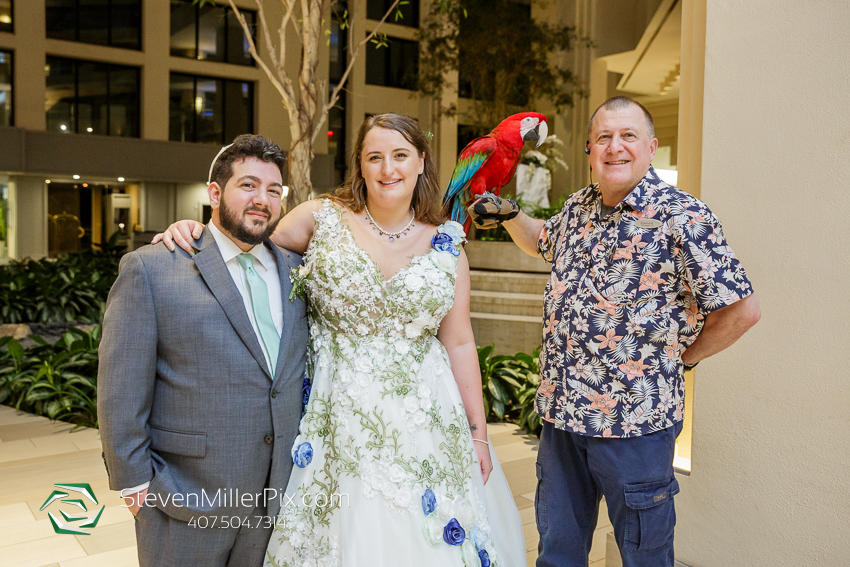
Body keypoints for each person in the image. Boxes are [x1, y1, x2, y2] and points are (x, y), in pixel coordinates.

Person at [156, 113, 526, 566]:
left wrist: (478, 436)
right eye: (375, 157)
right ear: (360, 166)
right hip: (338, 421)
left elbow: (461, 344)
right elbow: (246, 247)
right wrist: (198, 231)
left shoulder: (448, 245)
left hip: (428, 424)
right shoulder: (320, 218)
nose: (388, 169)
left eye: (400, 156)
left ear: (421, 162)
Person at [467, 96, 761, 567]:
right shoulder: (579, 206)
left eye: (627, 136)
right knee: (557, 555)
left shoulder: (683, 216)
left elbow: (742, 311)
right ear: (589, 149)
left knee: (644, 557)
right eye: (603, 137)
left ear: (650, 147)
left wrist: (683, 358)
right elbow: (541, 240)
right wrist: (507, 215)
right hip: (562, 423)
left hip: (635, 428)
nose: (615, 147)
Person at [98, 134, 309, 567]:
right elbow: (120, 387)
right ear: (215, 193)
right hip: (183, 501)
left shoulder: (299, 271)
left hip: (277, 503)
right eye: (248, 185)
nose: (262, 200)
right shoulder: (153, 268)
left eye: (273, 190)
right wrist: (136, 488)